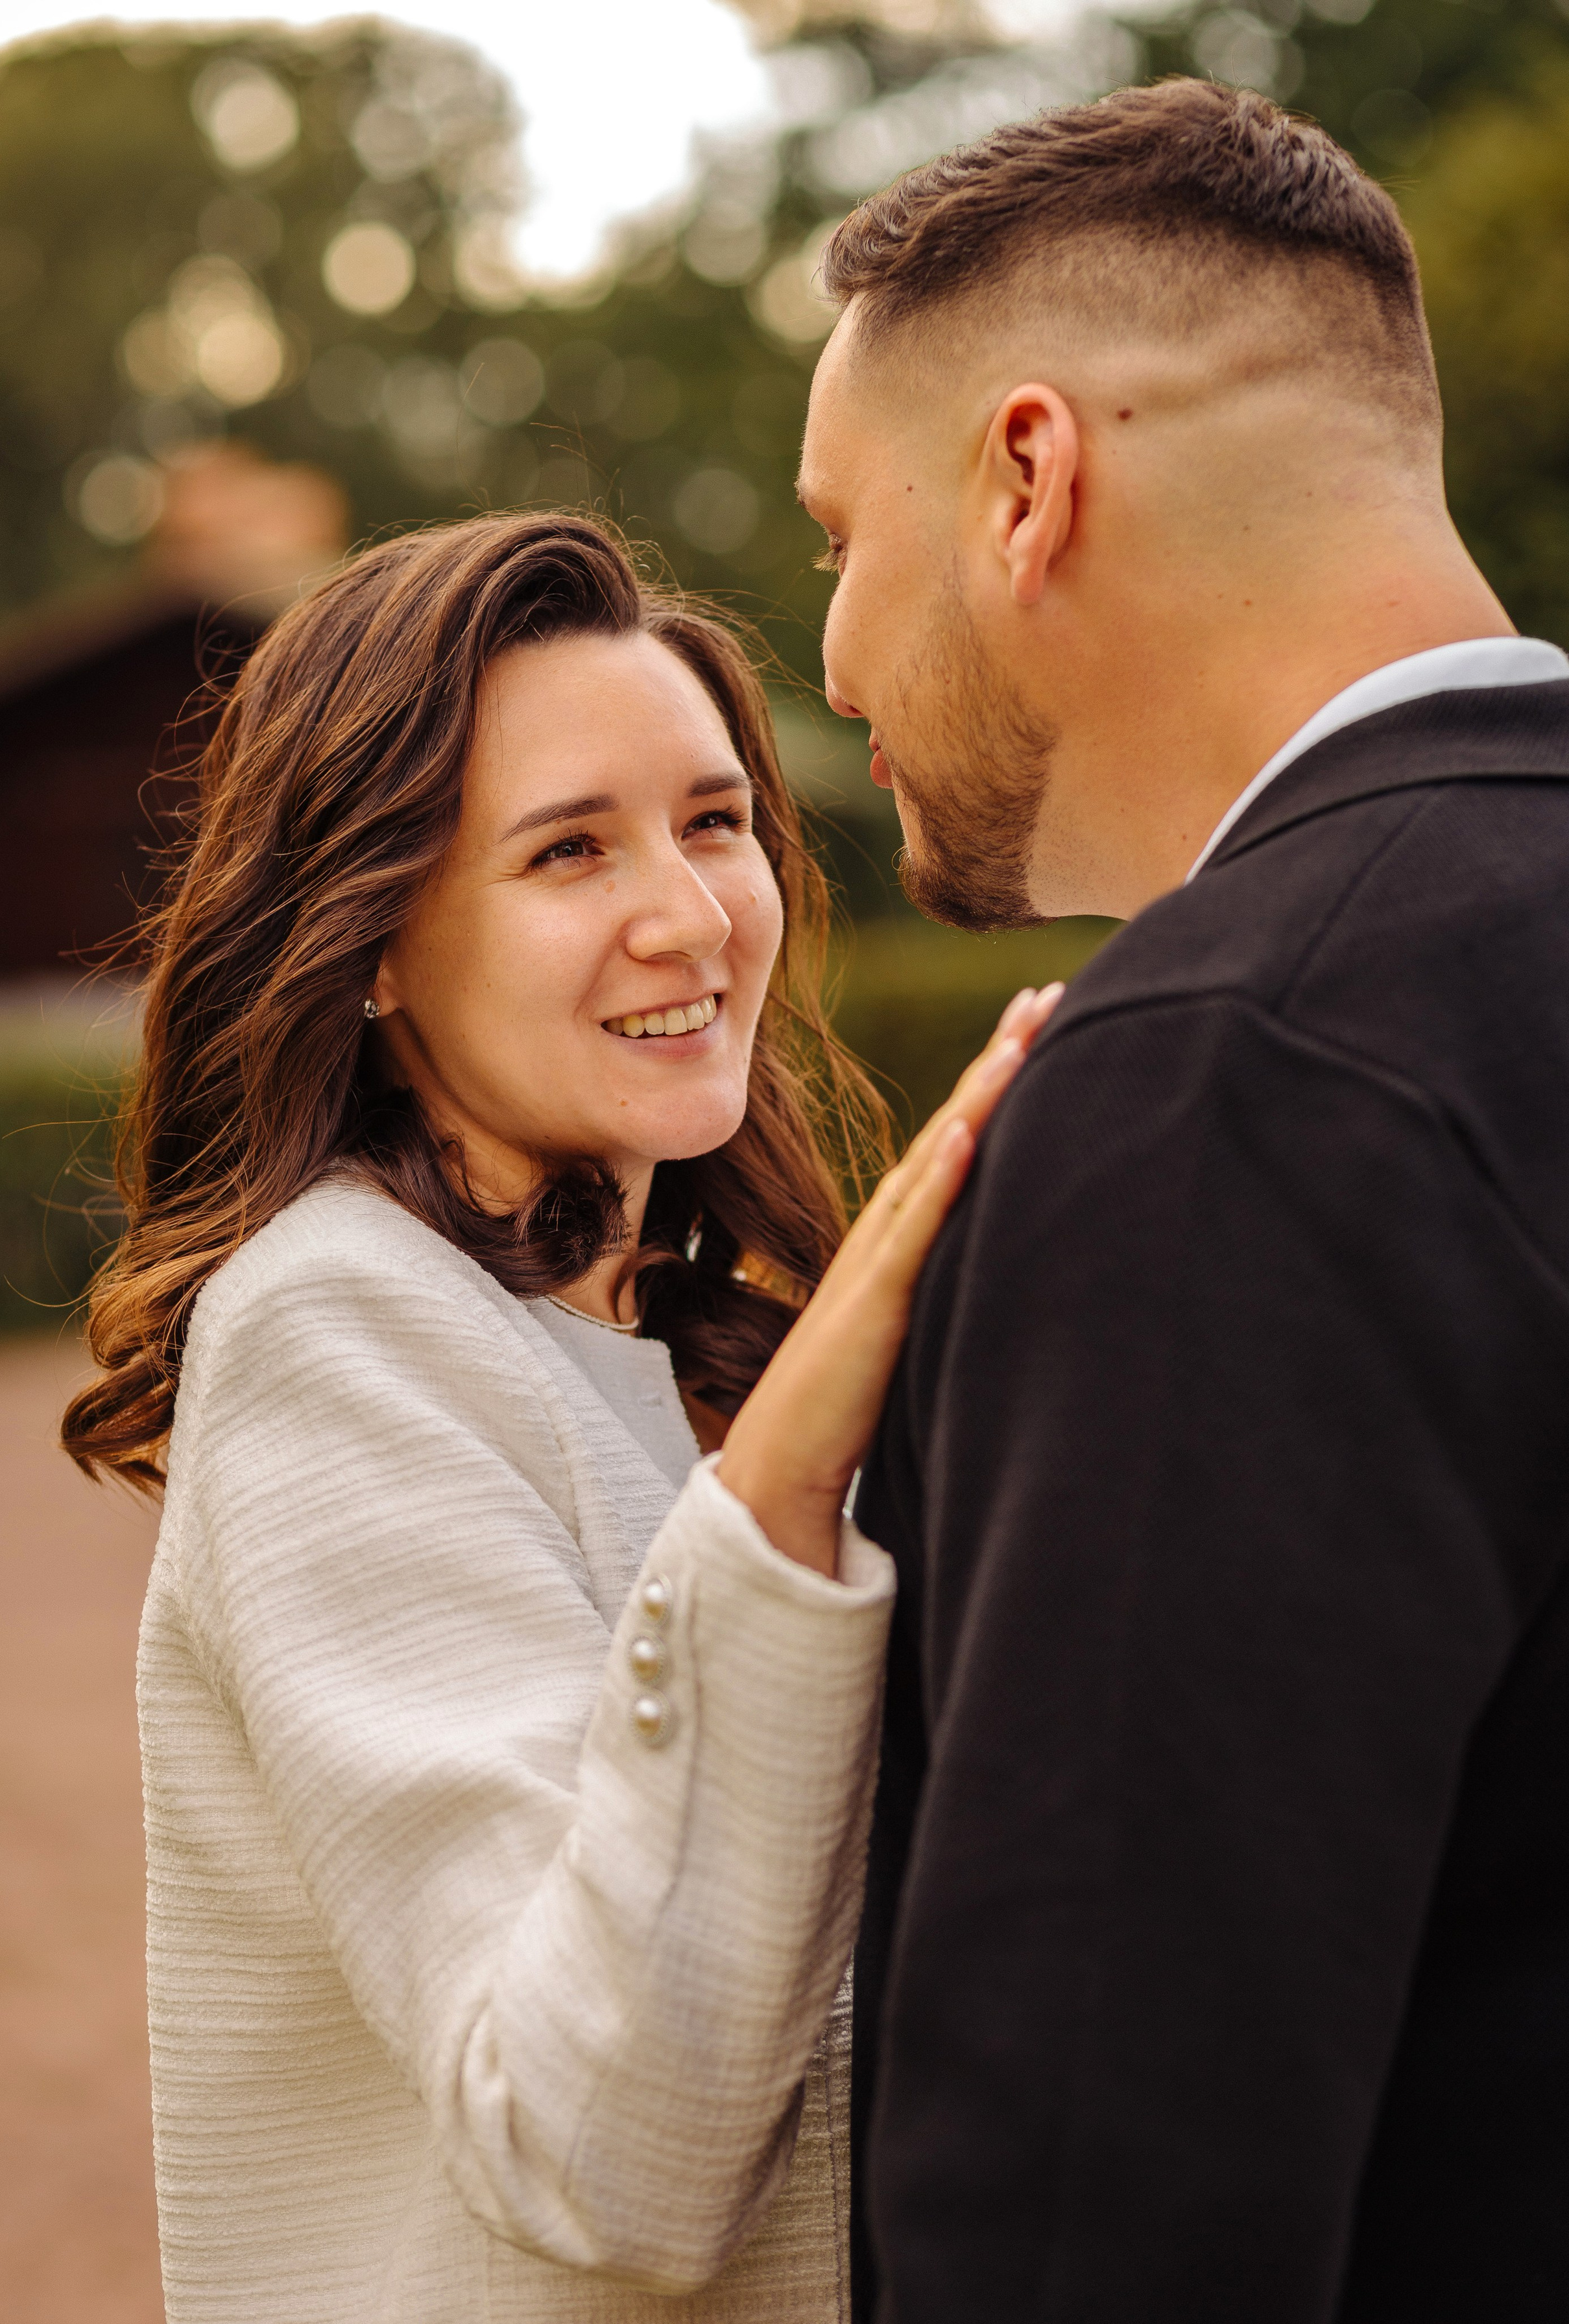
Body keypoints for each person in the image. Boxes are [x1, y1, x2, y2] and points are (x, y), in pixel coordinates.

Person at [61, 512, 1055, 2323]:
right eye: (568, 850)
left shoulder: (685, 1337)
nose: (686, 914)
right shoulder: (336, 1329)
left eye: (714, 820)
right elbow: (602, 2152)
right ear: (371, 942)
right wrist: (787, 1487)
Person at [798, 77, 1569, 2324]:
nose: (830, 661)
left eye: (842, 535)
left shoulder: (1231, 1079)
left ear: (1030, 480)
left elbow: (1093, 2191)